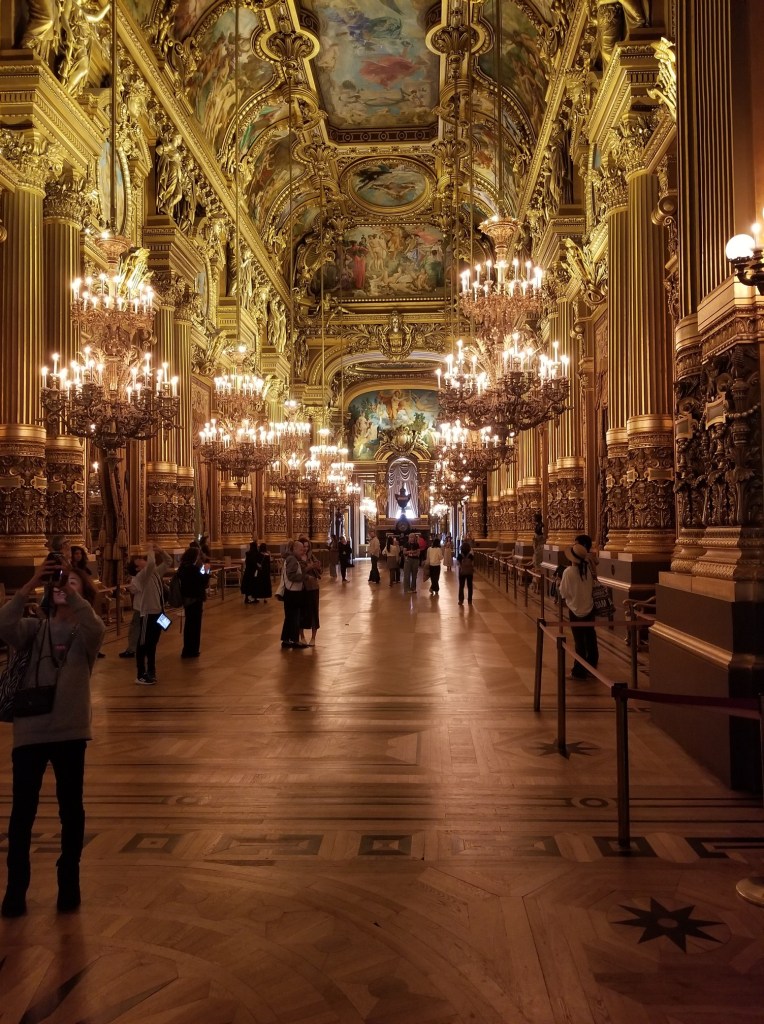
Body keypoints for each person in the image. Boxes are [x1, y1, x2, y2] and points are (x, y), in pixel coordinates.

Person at [0, 563, 105, 917]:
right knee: (22, 813)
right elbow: (4, 625)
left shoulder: (86, 636)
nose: (62, 586)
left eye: (71, 581)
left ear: (82, 591)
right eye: (58, 582)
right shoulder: (34, 629)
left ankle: (69, 880)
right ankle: (16, 889)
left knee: (70, 809)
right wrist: (31, 582)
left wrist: (73, 592)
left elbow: (96, 625)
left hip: (70, 732)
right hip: (29, 732)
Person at [558, 536, 599, 679]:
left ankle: (579, 671)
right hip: (589, 608)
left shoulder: (568, 572)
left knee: (579, 641)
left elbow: (563, 593)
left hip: (575, 610)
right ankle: (592, 666)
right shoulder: (588, 570)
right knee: (590, 636)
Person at [132, 546, 172, 685]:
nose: (143, 561)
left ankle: (151, 670)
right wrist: (150, 549)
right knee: (143, 644)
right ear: (137, 568)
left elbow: (168, 561)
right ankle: (140, 673)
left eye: (143, 559)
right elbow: (150, 563)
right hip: (147, 614)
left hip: (158, 612)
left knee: (152, 644)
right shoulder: (141, 576)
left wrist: (161, 551)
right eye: (139, 561)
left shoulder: (154, 573)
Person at [177, 546, 208, 658]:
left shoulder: (183, 568)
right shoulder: (193, 569)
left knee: (189, 625)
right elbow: (203, 582)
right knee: (195, 626)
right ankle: (193, 650)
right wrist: (206, 570)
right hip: (195, 599)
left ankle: (187, 649)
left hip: (187, 599)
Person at [280, 540, 308, 648]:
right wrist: (303, 577)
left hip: (291, 593)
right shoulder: (292, 559)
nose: (303, 551)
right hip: (293, 593)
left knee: (290, 617)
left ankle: (286, 640)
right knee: (295, 617)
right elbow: (291, 576)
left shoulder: (293, 559)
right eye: (301, 549)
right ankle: (295, 640)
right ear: (295, 549)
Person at [298, 538, 322, 647]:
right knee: (302, 612)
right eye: (304, 547)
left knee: (314, 612)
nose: (306, 549)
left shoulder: (312, 556)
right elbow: (298, 572)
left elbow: (319, 570)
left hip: (313, 587)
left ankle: (313, 638)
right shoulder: (296, 558)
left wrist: (317, 566)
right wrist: (310, 567)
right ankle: (302, 636)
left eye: (307, 547)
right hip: (302, 588)